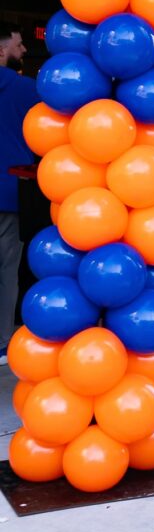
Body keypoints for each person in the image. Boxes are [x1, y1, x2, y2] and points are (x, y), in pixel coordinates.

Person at [0, 27, 39, 366]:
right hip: (10, 192)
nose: (24, 49)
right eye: (18, 44)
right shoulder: (26, 89)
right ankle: (1, 342)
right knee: (7, 270)